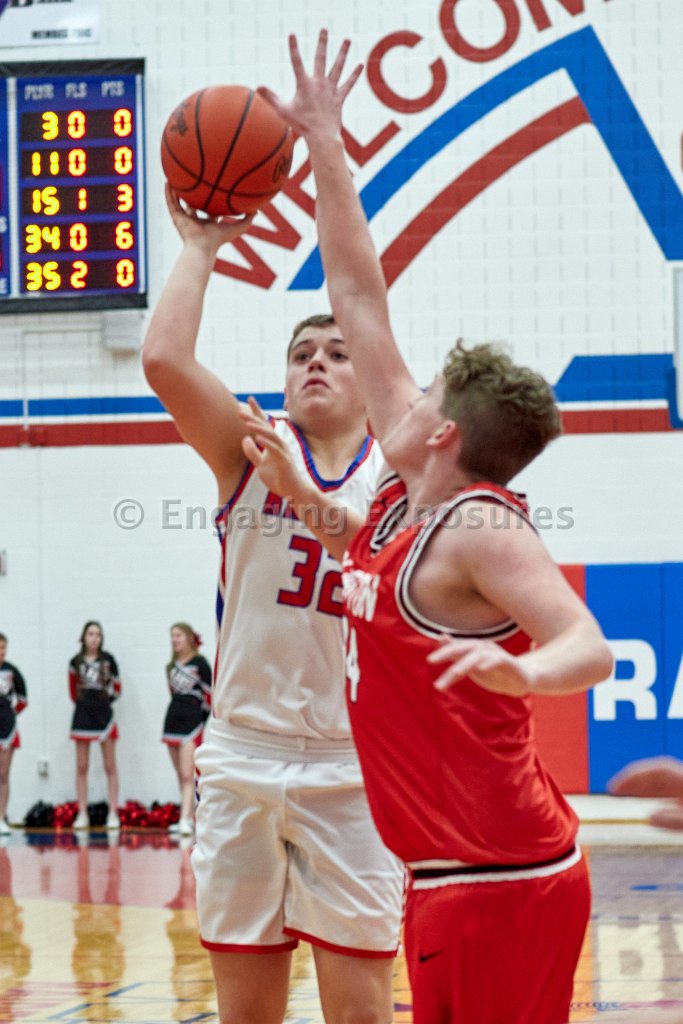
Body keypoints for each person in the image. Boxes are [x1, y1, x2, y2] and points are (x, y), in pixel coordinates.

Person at [243, 31, 615, 1024]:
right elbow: (356, 290)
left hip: (506, 878)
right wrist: (324, 142)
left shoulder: (479, 527)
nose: (394, 391)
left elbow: (586, 644)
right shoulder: (398, 496)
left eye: (422, 394)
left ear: (441, 431)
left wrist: (524, 673)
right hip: (446, 873)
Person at [142, 157, 404, 1023]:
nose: (316, 362)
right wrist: (201, 247)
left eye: (336, 352)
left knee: (359, 1010)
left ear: (369, 381)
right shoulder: (247, 448)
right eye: (300, 354)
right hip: (242, 755)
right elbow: (164, 359)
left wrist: (303, 489)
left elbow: (365, 548)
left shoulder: (399, 474)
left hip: (351, 765)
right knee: (245, 1011)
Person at [69, 621, 121, 830]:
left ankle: (113, 813)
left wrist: (103, 702)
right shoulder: (75, 662)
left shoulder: (109, 660)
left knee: (110, 766)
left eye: (98, 634)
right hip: (82, 715)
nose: (94, 638)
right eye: (90, 634)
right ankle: (82, 813)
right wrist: (86, 703)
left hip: (104, 716)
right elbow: (72, 691)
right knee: (82, 766)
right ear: (83, 637)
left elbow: (118, 688)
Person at [162, 623, 212, 836]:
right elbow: (173, 694)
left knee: (187, 774)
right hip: (172, 721)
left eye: (179, 635)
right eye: (172, 636)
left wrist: (201, 720)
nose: (175, 639)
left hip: (192, 722)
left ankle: (185, 819)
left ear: (190, 638)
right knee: (179, 774)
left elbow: (209, 696)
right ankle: (188, 816)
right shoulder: (170, 666)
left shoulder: (201, 664)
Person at [0, 633, 28, 834]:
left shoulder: (12, 671)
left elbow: (23, 700)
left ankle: (1, 817)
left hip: (7, 728)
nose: (1, 651)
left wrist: (11, 713)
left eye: (3, 647)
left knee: (3, 774)